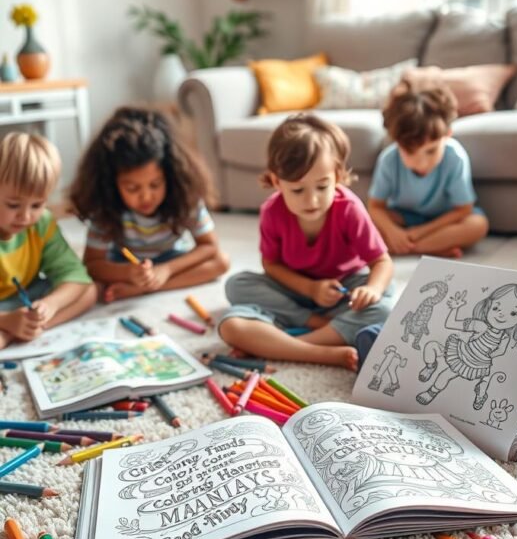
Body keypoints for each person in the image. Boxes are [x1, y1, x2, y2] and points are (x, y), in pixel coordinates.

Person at [219, 113, 395, 371]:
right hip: (294, 293)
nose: (312, 201)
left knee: (385, 308)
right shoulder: (272, 212)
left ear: (337, 175)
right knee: (236, 288)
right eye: (298, 190)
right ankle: (320, 336)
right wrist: (310, 290)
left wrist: (373, 290)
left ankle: (286, 343)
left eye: (322, 187)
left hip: (342, 292)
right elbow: (271, 265)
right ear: (277, 182)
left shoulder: (349, 209)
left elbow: (381, 262)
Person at [71, 106, 229, 302]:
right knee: (92, 286)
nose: (146, 197)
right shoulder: (106, 206)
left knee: (221, 262)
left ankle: (143, 289)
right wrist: (129, 273)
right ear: (111, 183)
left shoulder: (183, 196)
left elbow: (210, 247)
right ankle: (140, 283)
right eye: (132, 188)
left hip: (170, 258)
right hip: (124, 263)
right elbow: (92, 263)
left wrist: (165, 271)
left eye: (155, 185)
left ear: (170, 175)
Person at [368, 76, 489, 259]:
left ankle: (406, 247)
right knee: (364, 222)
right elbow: (375, 206)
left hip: (445, 219)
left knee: (478, 224)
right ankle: (432, 247)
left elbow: (463, 209)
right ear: (397, 143)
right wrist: (393, 231)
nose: (422, 163)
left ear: (447, 135)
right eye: (410, 153)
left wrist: (419, 232)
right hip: (404, 218)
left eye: (431, 151)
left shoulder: (454, 157)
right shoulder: (389, 159)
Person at [0, 132, 97, 349]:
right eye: (13, 205)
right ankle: (13, 330)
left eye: (36, 205)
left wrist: (49, 305)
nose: (25, 217)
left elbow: (75, 275)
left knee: (89, 292)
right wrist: (6, 320)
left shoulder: (41, 223)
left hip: (27, 298)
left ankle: (24, 331)